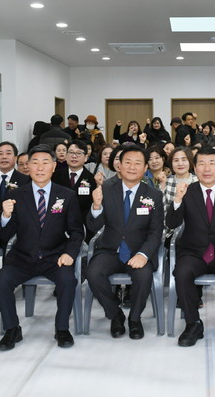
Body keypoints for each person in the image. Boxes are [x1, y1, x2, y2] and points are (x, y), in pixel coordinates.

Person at [0, 145, 84, 350]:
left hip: (55, 257)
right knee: (0, 281)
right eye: (35, 163)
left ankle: (62, 328)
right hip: (22, 258)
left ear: (54, 166)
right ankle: (12, 329)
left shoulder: (67, 195)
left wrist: (70, 254)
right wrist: (5, 216)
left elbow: (77, 232)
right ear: (27, 166)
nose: (40, 168)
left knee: (68, 280)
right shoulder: (15, 195)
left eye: (45, 163)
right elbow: (5, 236)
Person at [166, 146, 215, 347]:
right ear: (195, 168)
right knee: (182, 273)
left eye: (212, 163)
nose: (207, 168)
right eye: (201, 164)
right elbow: (172, 223)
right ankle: (193, 323)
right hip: (193, 251)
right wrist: (177, 200)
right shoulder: (188, 191)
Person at [87, 144, 164, 339]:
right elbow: (93, 226)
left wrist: (143, 254)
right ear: (119, 166)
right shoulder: (106, 189)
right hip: (110, 250)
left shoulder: (154, 195)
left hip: (139, 251)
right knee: (93, 273)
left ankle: (135, 318)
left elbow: (156, 233)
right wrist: (96, 206)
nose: (132, 167)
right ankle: (115, 314)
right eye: (127, 162)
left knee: (143, 276)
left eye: (137, 163)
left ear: (145, 168)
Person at [0, 141, 31, 215]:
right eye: (0, 154)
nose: (4, 157)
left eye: (8, 153)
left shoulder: (26, 180)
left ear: (15, 158)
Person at [52, 140, 97, 220]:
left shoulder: (92, 179)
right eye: (71, 152)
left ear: (86, 157)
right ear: (66, 156)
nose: (74, 156)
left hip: (82, 222)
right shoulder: (55, 176)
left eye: (78, 153)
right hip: (58, 220)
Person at [160, 147, 197, 213]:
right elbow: (162, 210)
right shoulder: (166, 182)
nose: (180, 164)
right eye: (176, 160)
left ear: (190, 161)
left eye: (184, 160)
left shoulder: (198, 181)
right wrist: (162, 185)